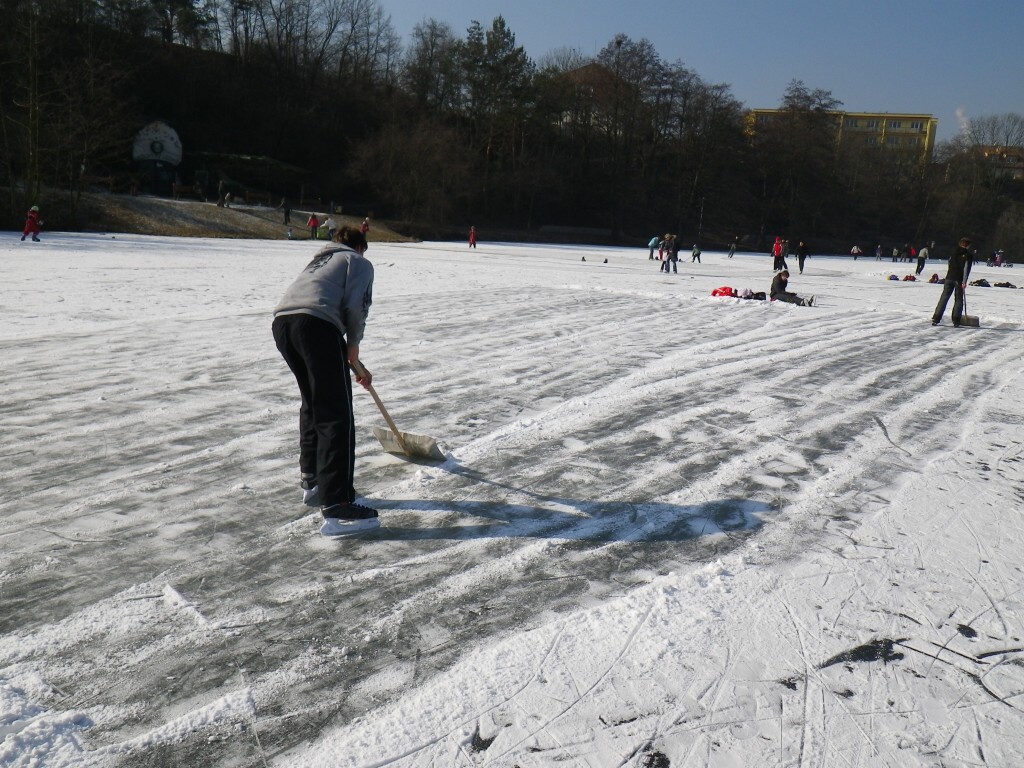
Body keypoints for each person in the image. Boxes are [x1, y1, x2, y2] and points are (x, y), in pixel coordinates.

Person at [272, 226, 378, 536]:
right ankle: (337, 503)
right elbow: (356, 306)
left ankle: (313, 481)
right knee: (336, 413)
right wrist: (353, 345)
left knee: (314, 402)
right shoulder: (357, 262)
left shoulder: (318, 261)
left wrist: (350, 359)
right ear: (359, 247)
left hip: (284, 325)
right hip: (317, 326)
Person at [931, 237, 974, 327]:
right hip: (959, 279)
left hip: (949, 277)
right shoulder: (968, 255)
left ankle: (936, 318)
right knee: (958, 299)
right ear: (968, 245)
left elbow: (949, 263)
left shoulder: (953, 252)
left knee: (944, 298)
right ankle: (956, 320)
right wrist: (964, 281)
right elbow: (966, 269)